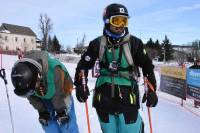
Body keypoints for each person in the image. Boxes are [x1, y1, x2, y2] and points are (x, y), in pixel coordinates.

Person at [74, 3, 158, 133]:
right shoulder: (97, 43)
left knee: (131, 129)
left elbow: (147, 66)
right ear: (107, 21)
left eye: (124, 20)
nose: (120, 25)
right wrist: (80, 85)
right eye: (116, 20)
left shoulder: (135, 43)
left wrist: (152, 90)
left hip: (128, 95)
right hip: (103, 96)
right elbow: (83, 65)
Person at [11, 50, 79, 133]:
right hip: (43, 90)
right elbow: (30, 95)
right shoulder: (24, 75)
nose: (31, 92)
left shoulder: (54, 69)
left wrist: (61, 111)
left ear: (37, 76)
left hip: (61, 90)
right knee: (47, 122)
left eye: (32, 89)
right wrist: (42, 110)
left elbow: (58, 94)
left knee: (66, 122)